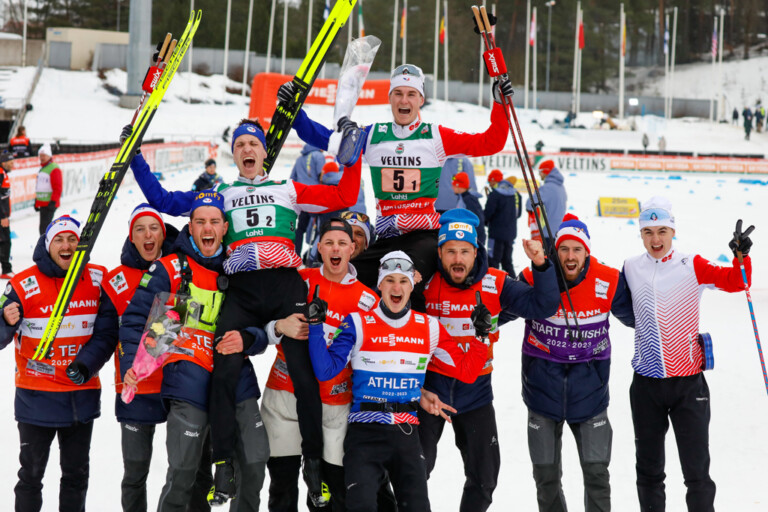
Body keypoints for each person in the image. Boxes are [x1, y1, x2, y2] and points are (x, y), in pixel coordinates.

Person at [127, 118, 362, 506]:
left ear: (264, 152)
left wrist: (351, 158)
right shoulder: (220, 191)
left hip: (286, 286)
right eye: (240, 146)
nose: (247, 150)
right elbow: (166, 202)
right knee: (225, 370)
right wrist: (134, 157)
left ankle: (315, 468)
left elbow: (341, 197)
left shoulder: (287, 188)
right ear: (233, 154)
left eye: (253, 144)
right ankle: (222, 466)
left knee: (306, 376)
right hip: (244, 290)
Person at [289, 62, 512, 310]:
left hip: (423, 237)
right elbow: (322, 137)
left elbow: (491, 142)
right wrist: (294, 113)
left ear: (421, 99)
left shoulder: (435, 136)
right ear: (390, 97)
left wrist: (500, 103)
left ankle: (414, 342)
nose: (404, 100)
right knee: (349, 276)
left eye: (411, 94)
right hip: (387, 237)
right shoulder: (373, 135)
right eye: (398, 93)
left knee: (404, 281)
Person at [119, 192, 271, 511]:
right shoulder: (170, 268)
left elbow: (261, 331)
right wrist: (133, 364)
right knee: (184, 472)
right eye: (200, 221)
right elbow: (135, 319)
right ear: (190, 226)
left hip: (234, 378)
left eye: (214, 221)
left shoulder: (239, 270)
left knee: (255, 461)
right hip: (188, 379)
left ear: (225, 227)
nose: (207, 228)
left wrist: (248, 340)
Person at [307, 250, 489, 512]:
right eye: (390, 280)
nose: (396, 287)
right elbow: (326, 371)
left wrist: (481, 335)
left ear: (412, 284)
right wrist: (315, 325)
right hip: (364, 435)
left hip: (406, 435)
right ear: (380, 284)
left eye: (403, 281)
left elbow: (467, 371)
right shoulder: (357, 323)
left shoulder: (429, 327)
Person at [613, 196, 753, 512]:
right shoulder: (631, 268)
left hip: (688, 386)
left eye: (662, 230)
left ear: (673, 232)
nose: (656, 239)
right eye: (648, 232)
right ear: (641, 234)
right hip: (646, 384)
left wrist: (741, 256)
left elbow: (737, 281)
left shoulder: (692, 264)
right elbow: (620, 304)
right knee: (648, 472)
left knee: (696, 473)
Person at [418, 208, 559, 512]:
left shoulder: (495, 282)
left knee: (484, 478)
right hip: (430, 391)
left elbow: (543, 304)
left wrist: (541, 265)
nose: (458, 259)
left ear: (476, 251)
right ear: (439, 252)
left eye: (465, 251)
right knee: (413, 472)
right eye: (451, 251)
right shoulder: (423, 282)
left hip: (476, 393)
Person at [65, 205, 192, 512]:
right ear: (131, 237)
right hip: (136, 389)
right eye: (140, 229)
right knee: (135, 473)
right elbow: (107, 335)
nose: (148, 235)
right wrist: (85, 364)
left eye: (154, 228)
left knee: (186, 472)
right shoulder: (117, 280)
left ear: (163, 234)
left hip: (182, 387)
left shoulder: (181, 270)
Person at [263, 218, 394, 512]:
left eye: (342, 243)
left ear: (353, 248)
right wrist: (278, 325)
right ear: (319, 247)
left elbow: (377, 353)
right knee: (282, 486)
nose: (336, 248)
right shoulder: (300, 280)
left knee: (331, 489)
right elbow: (261, 320)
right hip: (285, 394)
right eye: (329, 243)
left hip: (334, 403)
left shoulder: (368, 298)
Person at [519, 214, 633, 512]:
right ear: (555, 252)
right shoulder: (533, 276)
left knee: (597, 476)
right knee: (545, 478)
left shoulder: (608, 280)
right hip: (542, 394)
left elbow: (639, 318)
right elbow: (500, 310)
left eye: (577, 249)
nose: (570, 256)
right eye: (564, 249)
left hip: (590, 396)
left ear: (587, 252)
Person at [0, 215, 109, 512]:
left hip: (80, 397)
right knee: (31, 477)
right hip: (37, 398)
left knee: (76, 477)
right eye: (59, 239)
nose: (67, 245)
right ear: (48, 245)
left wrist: (86, 364)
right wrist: (5, 321)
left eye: (72, 239)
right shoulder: (23, 283)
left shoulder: (97, 278)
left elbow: (110, 329)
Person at [289, 144, 324, 256]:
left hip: (302, 198)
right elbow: (322, 177)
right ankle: (313, 257)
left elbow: (292, 179)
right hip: (316, 198)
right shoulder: (318, 156)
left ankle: (296, 255)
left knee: (300, 229)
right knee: (318, 229)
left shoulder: (299, 159)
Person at [484, 171, 522, 275]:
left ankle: (492, 286)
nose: (489, 184)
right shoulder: (516, 194)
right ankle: (514, 284)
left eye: (489, 181)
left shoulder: (495, 194)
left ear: (493, 180)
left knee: (493, 261)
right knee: (507, 262)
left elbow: (488, 214)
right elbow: (518, 214)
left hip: (496, 234)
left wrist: (484, 221)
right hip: (510, 233)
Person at [526, 159, 566, 247]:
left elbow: (529, 203)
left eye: (540, 171)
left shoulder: (547, 188)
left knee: (546, 260)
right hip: (559, 231)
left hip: (548, 232)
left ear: (546, 171)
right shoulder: (561, 186)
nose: (539, 174)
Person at [451, 171, 486, 247]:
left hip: (474, 240)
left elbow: (478, 221)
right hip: (468, 237)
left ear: (458, 185)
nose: (452, 187)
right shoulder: (463, 198)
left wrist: (475, 241)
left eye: (453, 185)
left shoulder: (469, 200)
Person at [35, 143, 62, 235]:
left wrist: (53, 201)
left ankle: (48, 247)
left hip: (50, 203)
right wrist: (36, 201)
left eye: (44, 156)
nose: (41, 158)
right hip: (42, 203)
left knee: (45, 229)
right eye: (40, 156)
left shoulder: (54, 168)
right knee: (42, 228)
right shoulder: (42, 168)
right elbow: (40, 186)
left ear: (49, 156)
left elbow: (58, 187)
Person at [0, 151, 14, 278]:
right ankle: (6, 269)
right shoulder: (0, 173)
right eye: (11, 162)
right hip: (1, 217)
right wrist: (3, 216)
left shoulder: (3, 173)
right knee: (5, 242)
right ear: (4, 162)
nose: (13, 164)